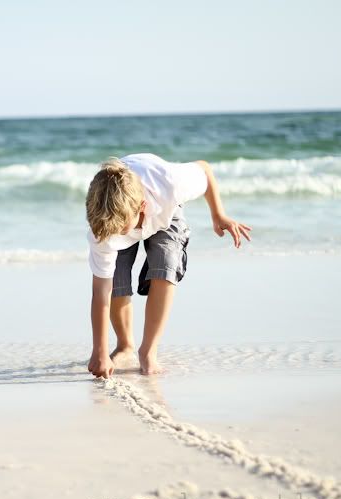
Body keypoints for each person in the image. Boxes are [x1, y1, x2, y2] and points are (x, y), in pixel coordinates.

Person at [85, 154, 251, 377]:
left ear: (142, 207)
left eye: (120, 229)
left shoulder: (170, 184)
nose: (114, 234)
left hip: (165, 213)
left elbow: (204, 169)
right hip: (122, 211)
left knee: (166, 263)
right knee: (116, 278)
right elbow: (100, 291)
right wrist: (100, 351)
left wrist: (218, 214)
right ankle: (124, 345)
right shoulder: (104, 225)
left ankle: (148, 350)